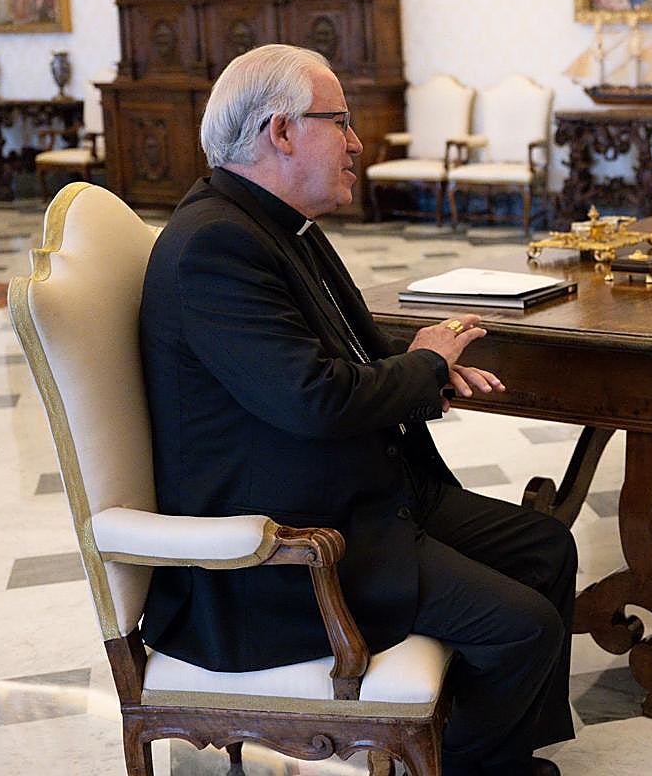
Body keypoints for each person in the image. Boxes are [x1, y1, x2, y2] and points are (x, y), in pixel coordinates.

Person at [139, 44, 576, 776]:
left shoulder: (273, 224)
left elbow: (341, 365)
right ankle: (465, 766)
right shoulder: (215, 245)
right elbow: (315, 399)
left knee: (546, 548)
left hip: (358, 492)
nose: (357, 142)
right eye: (338, 122)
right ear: (280, 133)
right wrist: (425, 363)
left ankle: (488, 752)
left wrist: (427, 372)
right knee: (520, 628)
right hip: (288, 547)